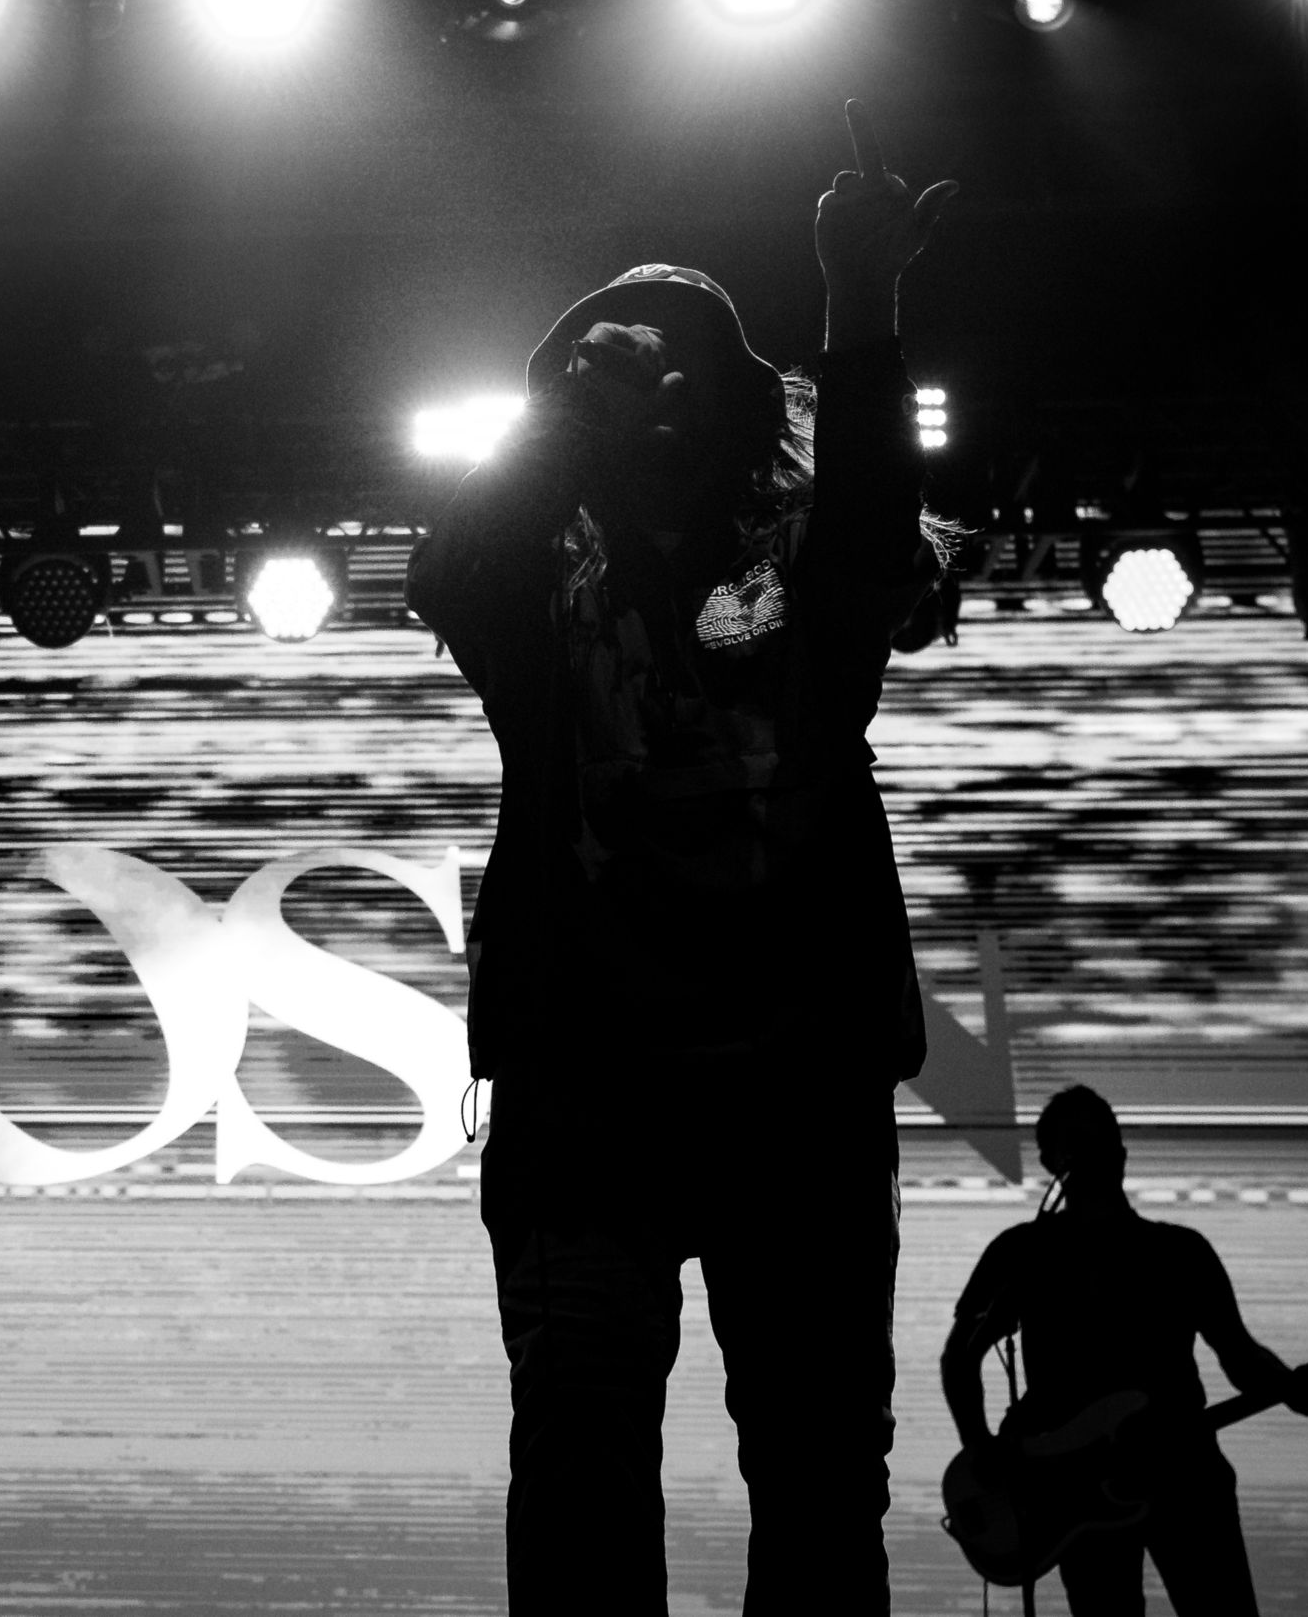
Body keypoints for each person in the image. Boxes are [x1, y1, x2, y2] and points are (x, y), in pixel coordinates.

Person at [405, 100, 959, 1614]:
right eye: (604, 355)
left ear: (731, 404)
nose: (638, 372)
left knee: (821, 1478)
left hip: (800, 1096)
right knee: (578, 1468)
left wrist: (859, 298)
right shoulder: (533, 599)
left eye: (672, 355)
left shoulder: (809, 585)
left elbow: (869, 518)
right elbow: (448, 570)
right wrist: (558, 416)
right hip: (589, 1101)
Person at [941, 1086, 1308, 1615]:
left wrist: (1291, 1389)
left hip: (1186, 1478)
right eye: (1076, 1143)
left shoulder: (1181, 1251)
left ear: (1123, 1154)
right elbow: (960, 1357)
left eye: (1101, 1140)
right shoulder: (1021, 1252)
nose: (1092, 1153)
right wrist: (982, 1450)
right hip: (1074, 1492)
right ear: (1050, 1162)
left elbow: (1239, 1355)